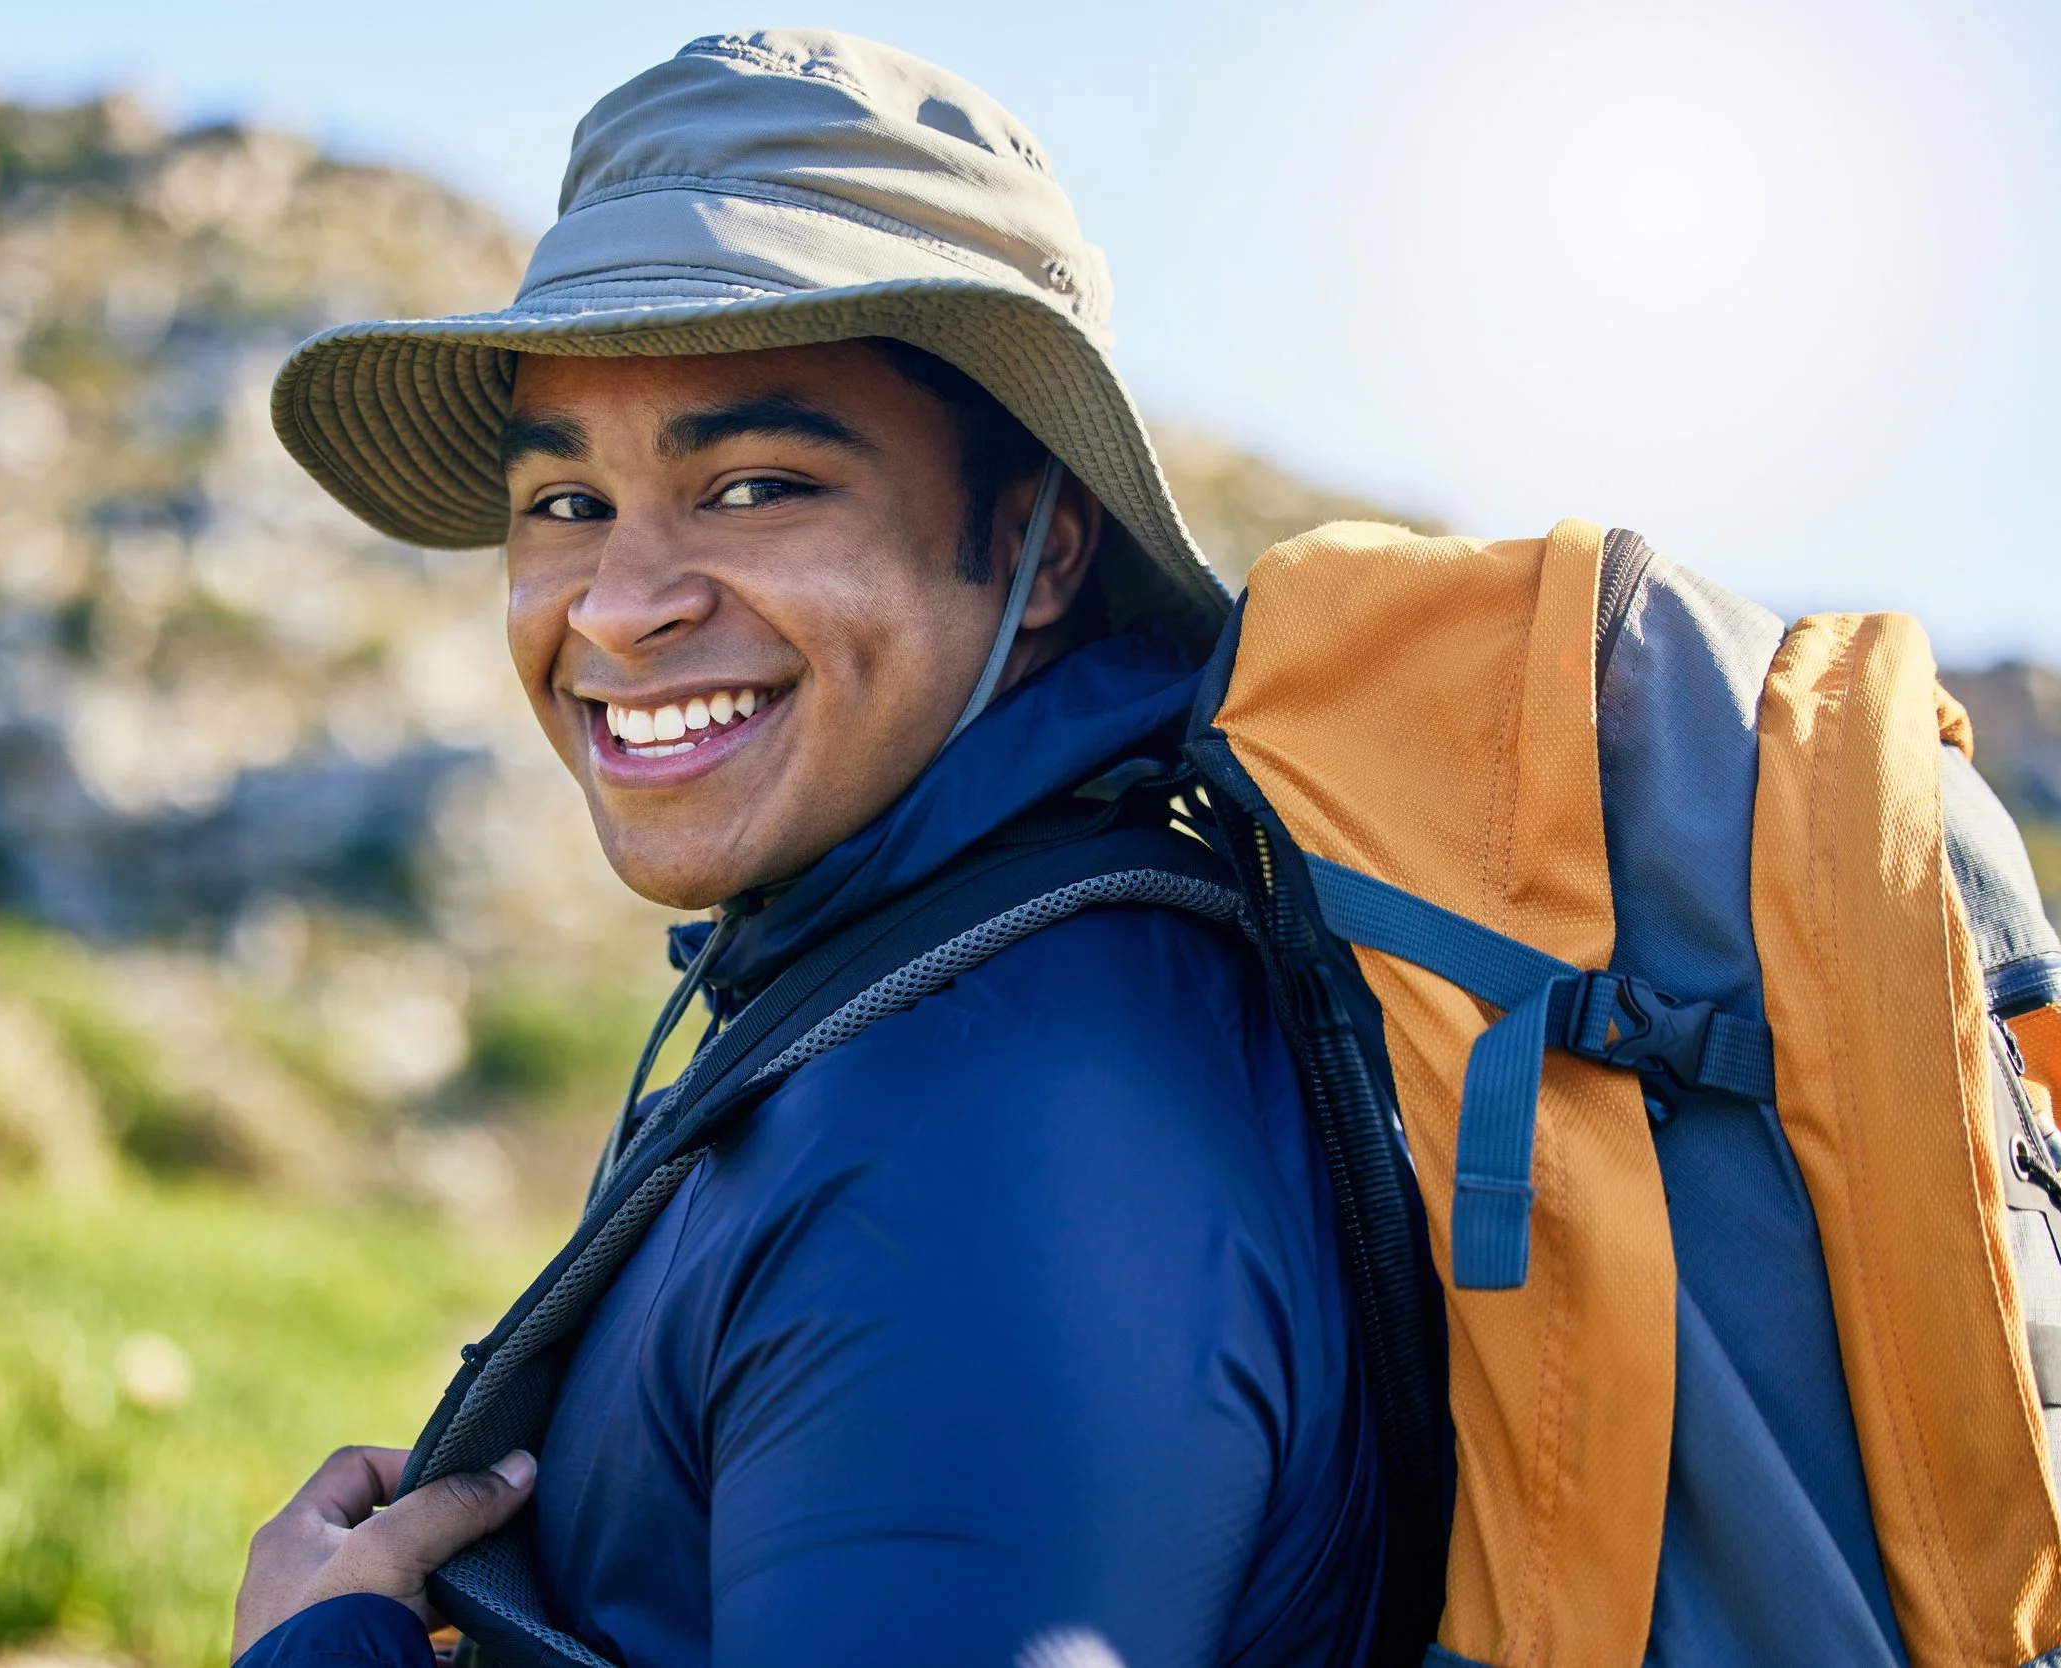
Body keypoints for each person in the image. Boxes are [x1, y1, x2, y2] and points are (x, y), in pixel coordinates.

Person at [230, 30, 1383, 1668]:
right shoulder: (898, 994)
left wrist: (313, 1658)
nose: (621, 606)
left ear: (1040, 550)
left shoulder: (993, 1121)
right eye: (563, 502)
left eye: (757, 485)